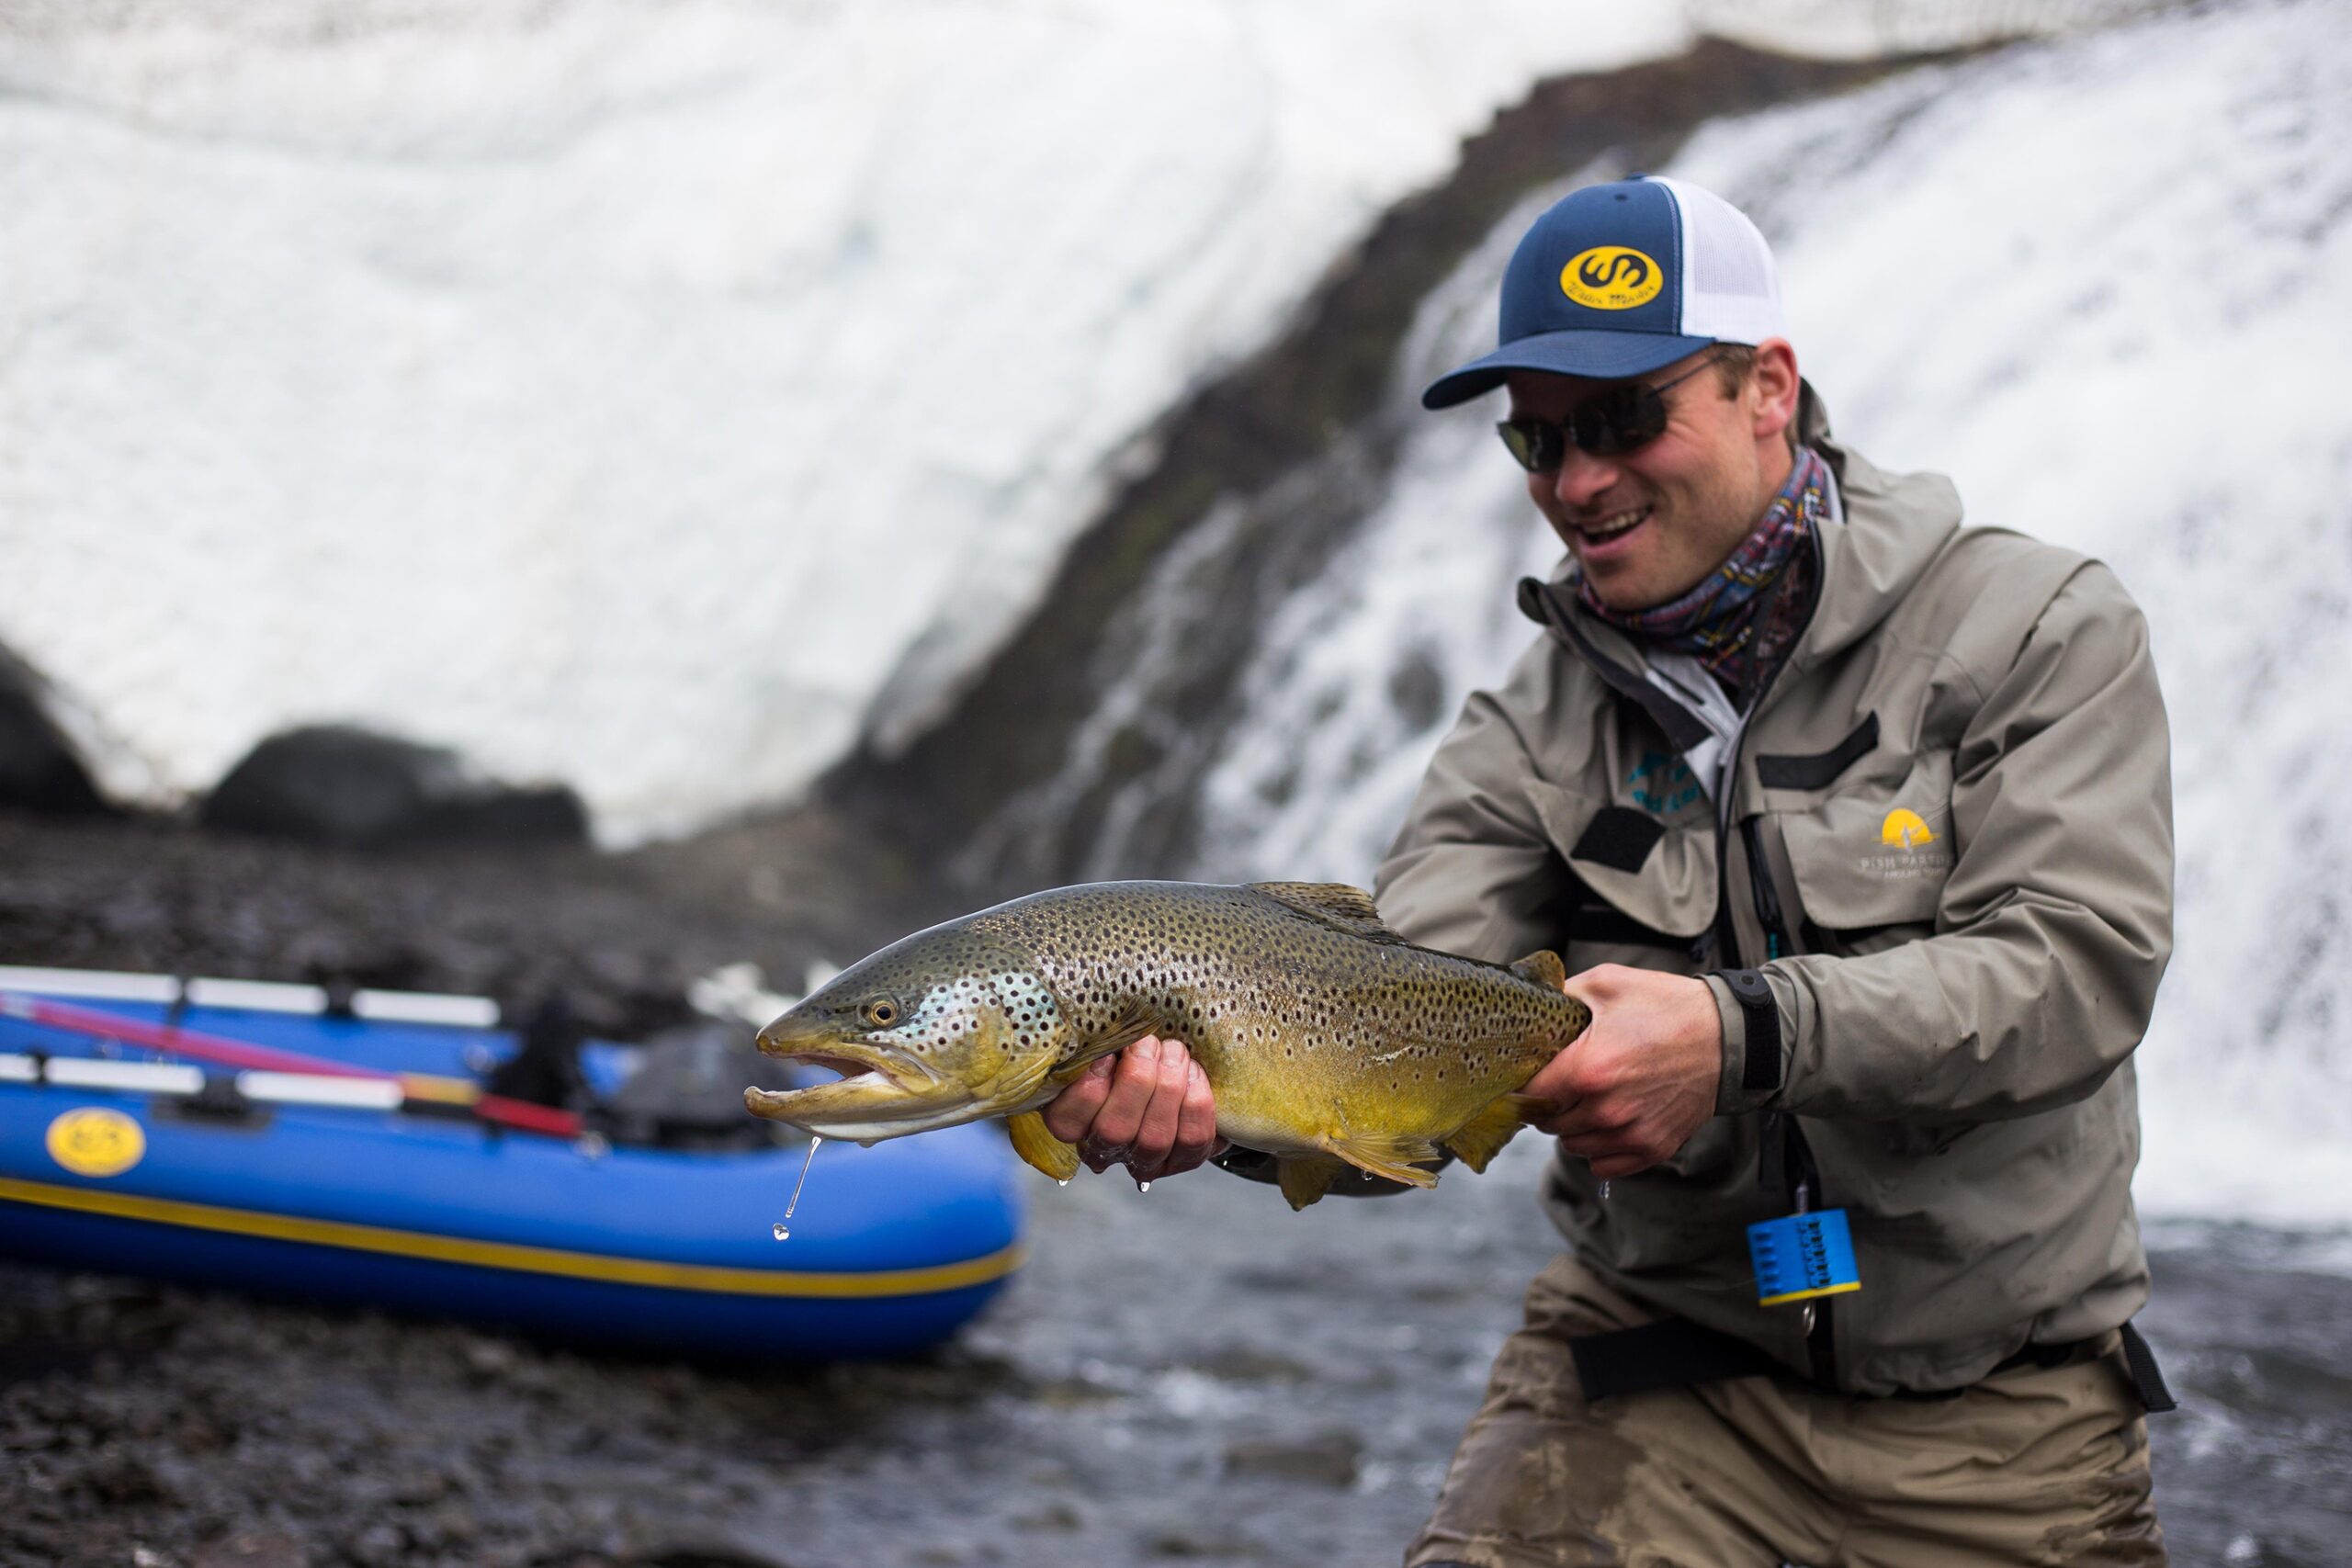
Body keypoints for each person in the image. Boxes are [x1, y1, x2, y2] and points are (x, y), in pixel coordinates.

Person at [1045, 174, 2177, 1564]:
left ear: (1768, 388)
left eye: (1627, 418)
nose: (1577, 482)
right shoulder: (1520, 735)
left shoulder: (2038, 628)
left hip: (2008, 1412)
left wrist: (1734, 1038)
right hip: (1656, 1375)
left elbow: (2075, 976)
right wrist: (1216, 1116)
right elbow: (1394, 1045)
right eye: (1540, 436)